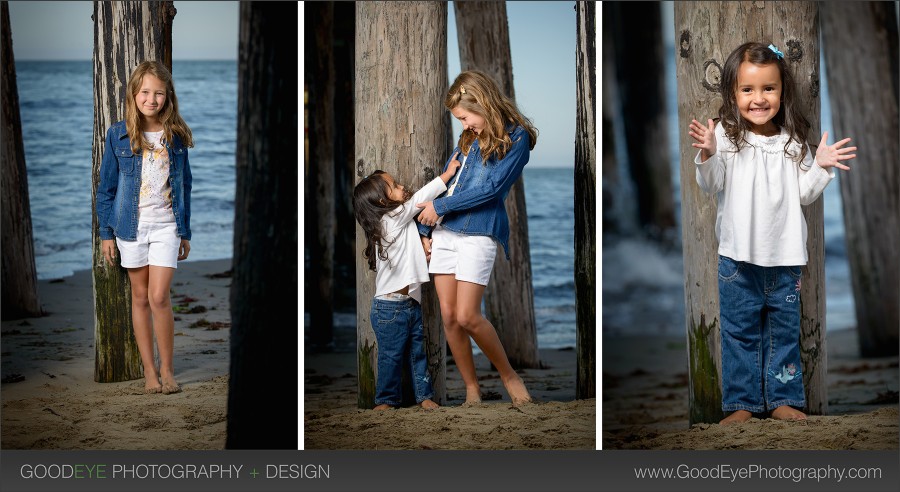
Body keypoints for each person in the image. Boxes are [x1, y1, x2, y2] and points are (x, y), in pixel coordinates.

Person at [688, 42, 855, 424]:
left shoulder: (792, 143)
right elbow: (710, 184)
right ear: (733, 93)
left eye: (768, 88)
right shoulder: (728, 140)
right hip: (737, 260)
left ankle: (783, 400)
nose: (758, 98)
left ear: (782, 92)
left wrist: (822, 166)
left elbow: (805, 193)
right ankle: (742, 405)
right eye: (748, 90)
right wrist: (709, 153)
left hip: (785, 262)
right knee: (739, 335)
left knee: (783, 336)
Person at [415, 70, 538, 406]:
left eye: (465, 117)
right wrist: (426, 232)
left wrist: (439, 208)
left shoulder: (518, 137)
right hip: (444, 232)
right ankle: (472, 389)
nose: (464, 126)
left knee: (469, 315)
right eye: (460, 120)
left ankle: (509, 375)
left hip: (478, 232)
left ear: (482, 103)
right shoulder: (468, 138)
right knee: (450, 315)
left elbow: (491, 189)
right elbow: (448, 182)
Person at [96, 61, 194, 395]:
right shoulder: (118, 135)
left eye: (159, 93)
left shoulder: (175, 137)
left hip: (167, 226)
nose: (151, 99)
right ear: (135, 94)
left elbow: (185, 186)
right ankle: (149, 372)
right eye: (145, 92)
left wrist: (186, 232)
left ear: (168, 97)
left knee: (158, 296)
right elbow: (106, 189)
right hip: (129, 228)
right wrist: (105, 235)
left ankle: (168, 370)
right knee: (139, 297)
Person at [353, 158, 462, 410]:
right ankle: (385, 400)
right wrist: (446, 176)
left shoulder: (395, 224)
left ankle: (424, 397)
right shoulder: (391, 219)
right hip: (389, 309)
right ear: (383, 202)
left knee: (417, 354)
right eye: (395, 185)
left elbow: (407, 249)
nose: (402, 186)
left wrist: (422, 246)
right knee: (391, 357)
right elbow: (419, 199)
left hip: (409, 303)